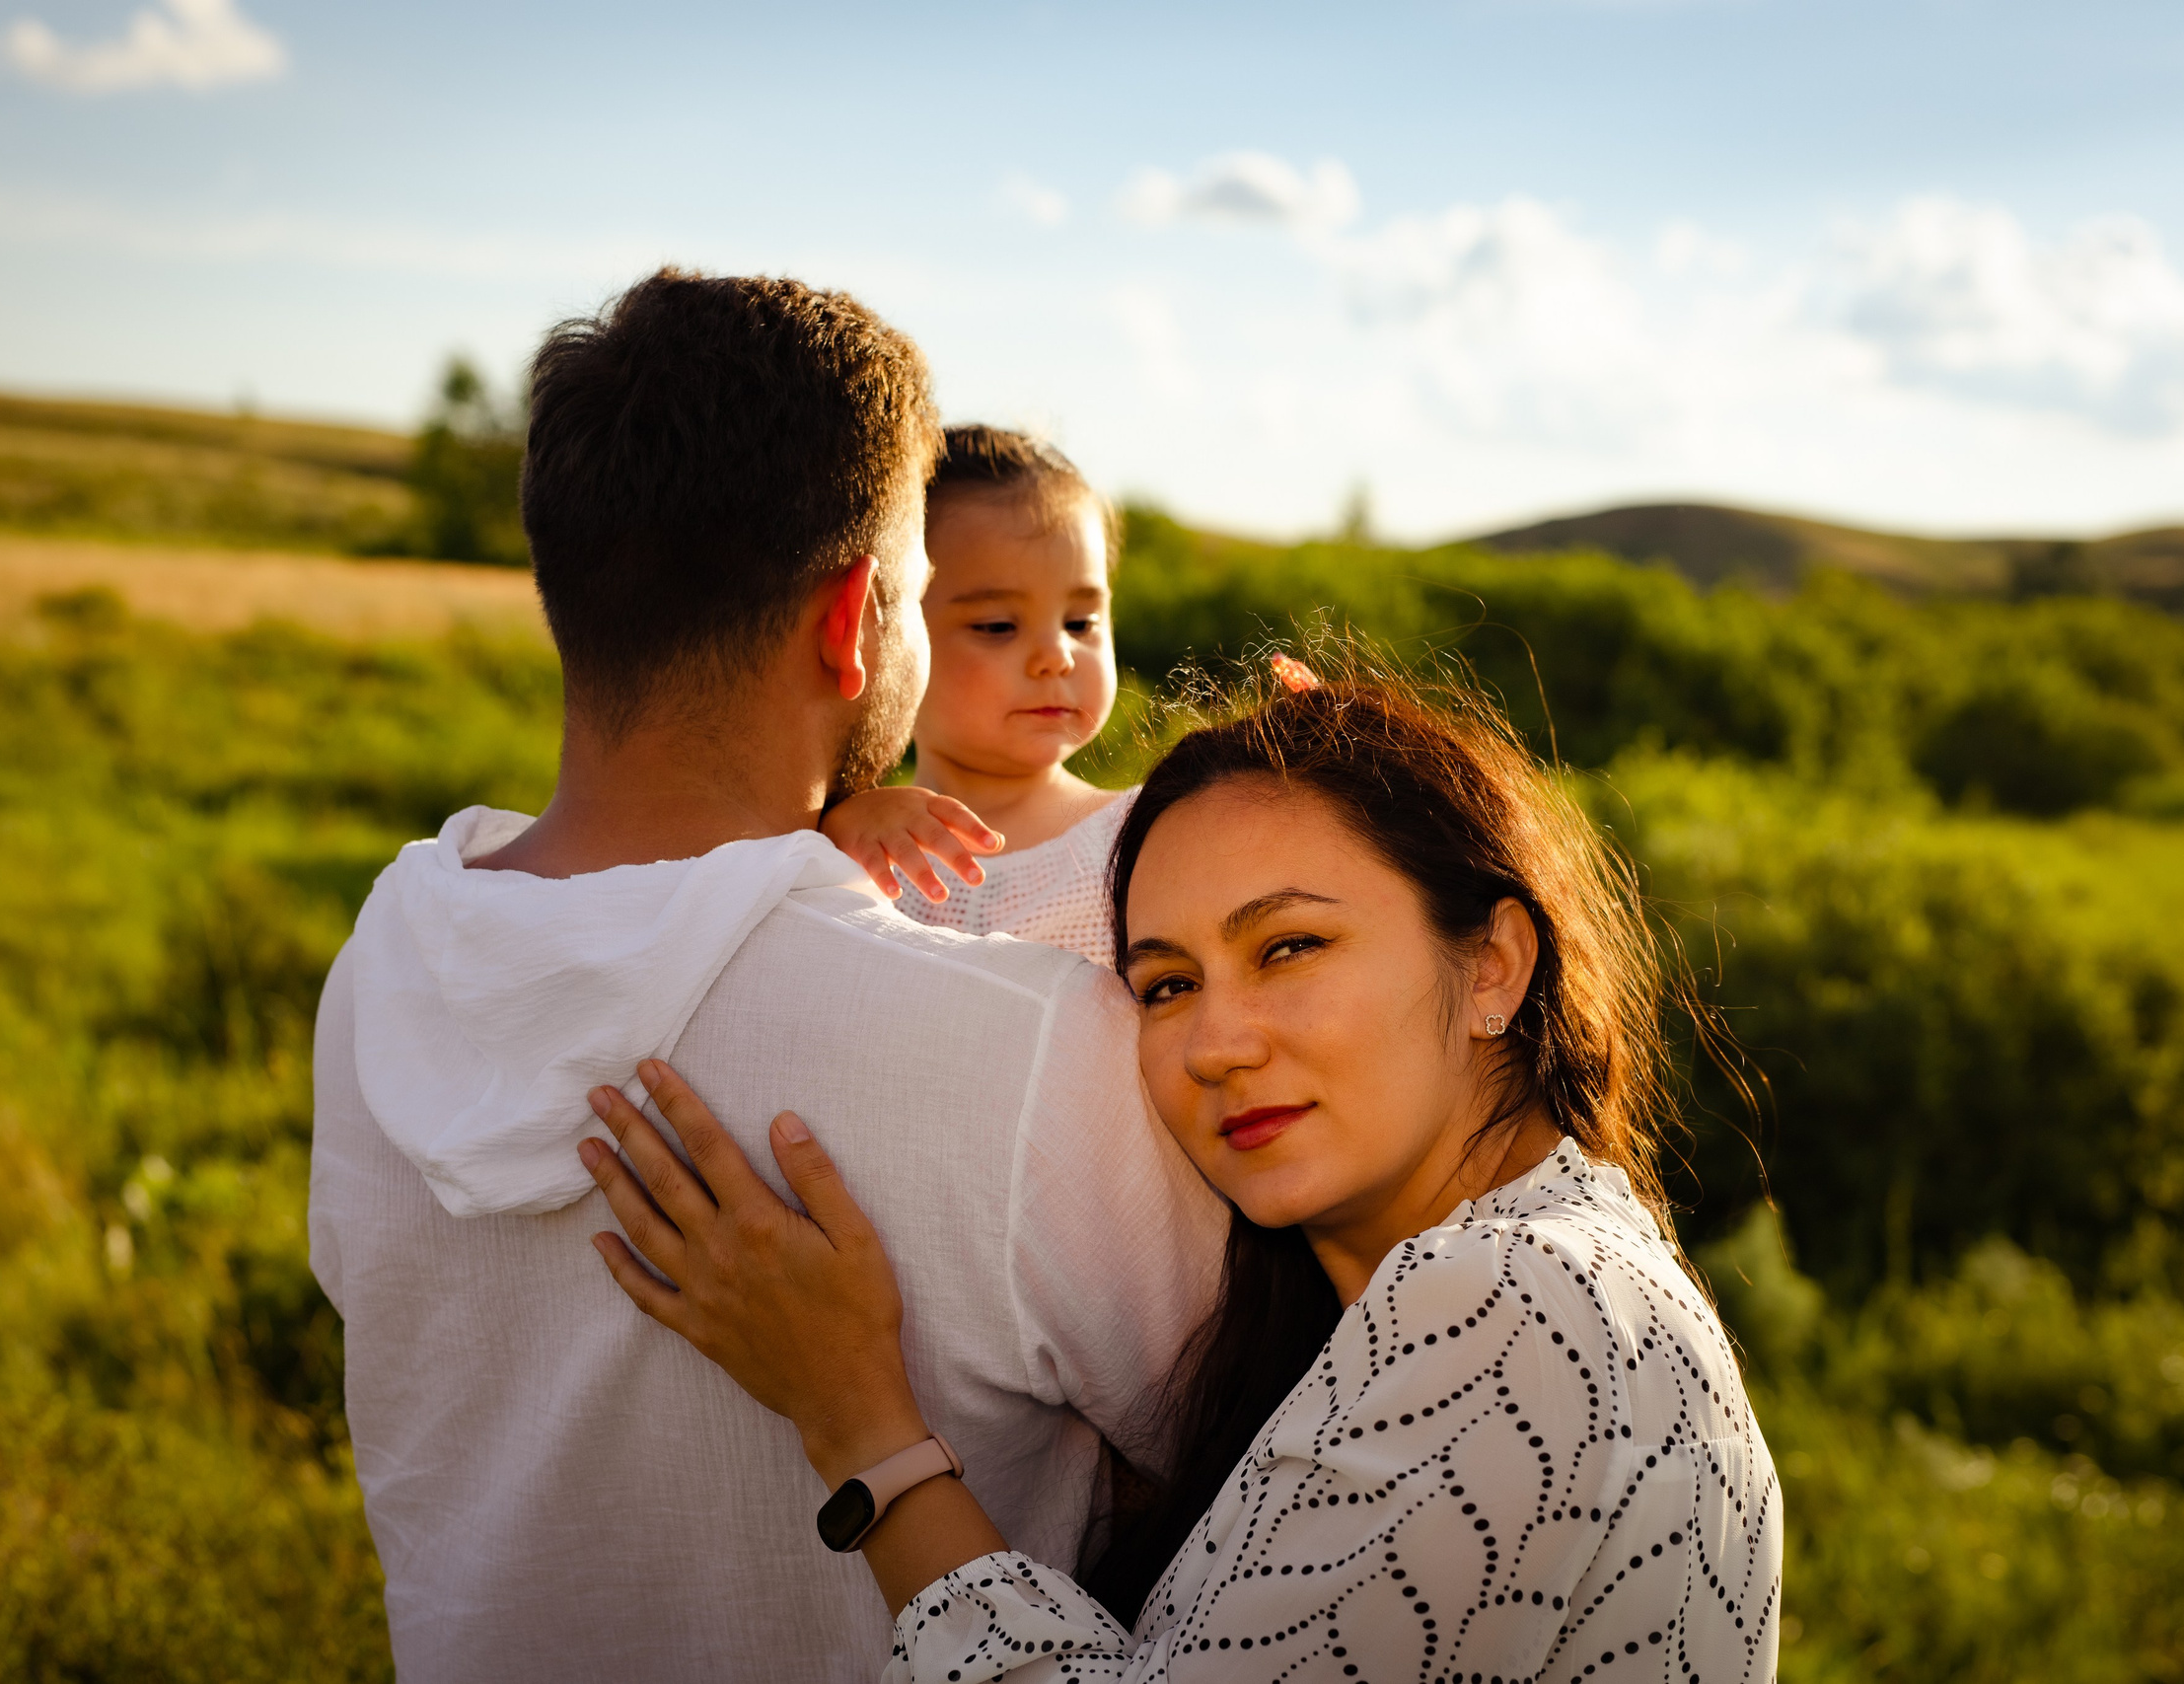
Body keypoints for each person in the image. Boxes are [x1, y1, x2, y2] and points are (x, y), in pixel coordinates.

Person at [307, 269, 1227, 1684]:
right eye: (933, 600)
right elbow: (1284, 1449)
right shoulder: (1025, 1043)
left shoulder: (381, 974)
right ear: (855, 619)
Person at [574, 674, 1784, 1682]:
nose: (1216, 1043)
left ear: (1491, 969)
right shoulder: (1538, 1272)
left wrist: (859, 1425)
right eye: (1164, 984)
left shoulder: (1516, 1297)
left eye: (1290, 946)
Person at [819, 425, 1136, 967]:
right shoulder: (847, 837)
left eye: (1081, 622)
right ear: (889, 635)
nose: (1057, 656)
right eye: (996, 626)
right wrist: (832, 829)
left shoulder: (1141, 833)